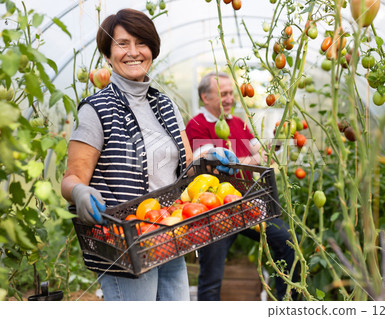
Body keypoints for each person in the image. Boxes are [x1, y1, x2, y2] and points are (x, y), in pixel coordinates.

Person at [60, 8, 198, 301]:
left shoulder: (165, 105)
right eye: (122, 44)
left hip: (171, 235)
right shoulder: (96, 109)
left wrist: (213, 156)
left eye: (142, 43)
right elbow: (71, 178)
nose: (133, 52)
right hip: (125, 245)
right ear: (108, 55)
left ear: (152, 50)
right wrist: (81, 192)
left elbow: (186, 168)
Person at [185, 72, 299, 301]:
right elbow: (213, 162)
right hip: (216, 211)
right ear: (205, 98)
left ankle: (289, 304)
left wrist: (277, 141)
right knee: (211, 278)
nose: (230, 99)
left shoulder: (236, 123)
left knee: (287, 241)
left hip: (247, 204)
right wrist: (252, 160)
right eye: (223, 94)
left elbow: (259, 153)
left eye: (231, 94)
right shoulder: (196, 125)